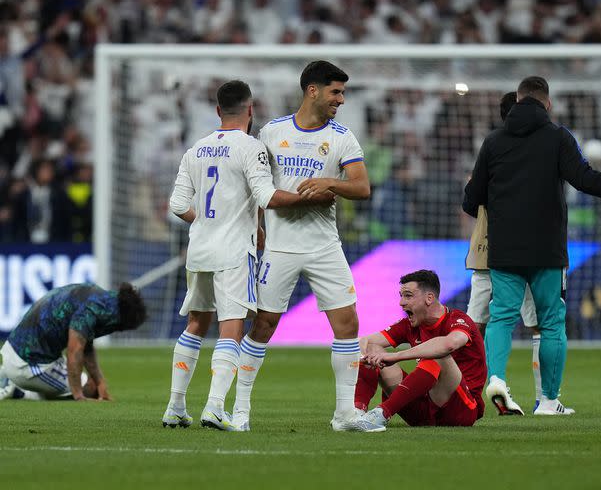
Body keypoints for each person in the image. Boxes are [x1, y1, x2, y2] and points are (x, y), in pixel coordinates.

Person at [463, 76, 601, 416]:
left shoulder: (494, 141)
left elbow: (472, 201)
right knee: (550, 323)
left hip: (504, 249)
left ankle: (496, 377)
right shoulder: (557, 137)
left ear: (517, 101)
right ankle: (548, 400)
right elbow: (586, 179)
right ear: (548, 103)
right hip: (546, 249)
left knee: (500, 318)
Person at [163, 80, 331, 431]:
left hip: (200, 248)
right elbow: (267, 196)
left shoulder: (195, 149)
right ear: (251, 110)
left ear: (218, 111)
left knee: (196, 322)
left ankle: (175, 407)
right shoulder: (251, 147)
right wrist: (309, 197)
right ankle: (213, 407)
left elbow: (178, 205)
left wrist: (210, 222)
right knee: (231, 327)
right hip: (233, 251)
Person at [231, 61, 372, 432]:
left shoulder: (343, 137)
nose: (340, 100)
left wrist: (330, 183)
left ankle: (345, 415)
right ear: (313, 90)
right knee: (263, 325)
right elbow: (256, 187)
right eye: (335, 92)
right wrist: (256, 229)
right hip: (279, 246)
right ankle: (240, 409)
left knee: (348, 323)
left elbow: (361, 187)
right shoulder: (271, 132)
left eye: (342, 93)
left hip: (325, 245)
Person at [465, 90, 541, 415]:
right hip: (526, 252)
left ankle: (465, 394)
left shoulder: (490, 148)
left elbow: (470, 200)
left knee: (471, 327)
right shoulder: (534, 151)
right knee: (540, 325)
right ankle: (546, 399)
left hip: (483, 249)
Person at [353, 270, 487, 431]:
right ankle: (356, 412)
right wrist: (362, 354)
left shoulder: (458, 320)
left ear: (429, 298)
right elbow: (365, 340)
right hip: (422, 409)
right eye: (401, 296)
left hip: (460, 411)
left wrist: (397, 356)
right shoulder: (409, 324)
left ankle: (381, 414)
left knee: (438, 354)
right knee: (373, 348)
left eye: (408, 296)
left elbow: (449, 344)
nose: (401, 302)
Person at [0, 282, 147, 401]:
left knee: (90, 384)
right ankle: (17, 389)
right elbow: (74, 351)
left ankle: (11, 377)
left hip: (17, 350)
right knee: (89, 389)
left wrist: (100, 382)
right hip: (28, 363)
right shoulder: (94, 310)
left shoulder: (100, 298)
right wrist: (78, 395)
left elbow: (86, 347)